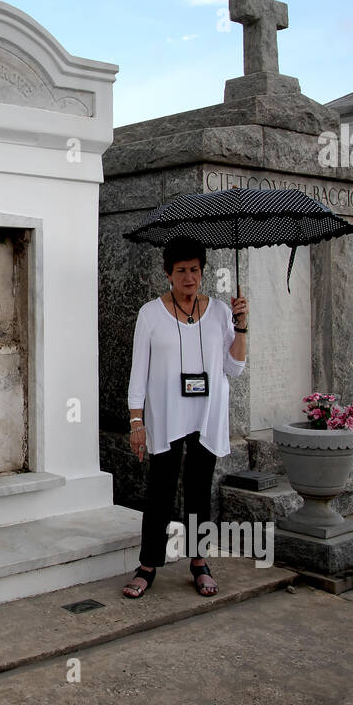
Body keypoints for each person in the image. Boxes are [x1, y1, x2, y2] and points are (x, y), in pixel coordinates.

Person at [122, 236, 248, 599]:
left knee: (199, 491)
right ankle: (147, 565)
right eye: (181, 271)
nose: (189, 277)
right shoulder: (150, 314)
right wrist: (136, 422)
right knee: (160, 491)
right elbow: (138, 372)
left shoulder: (222, 312)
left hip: (206, 414)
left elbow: (235, 368)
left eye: (194, 269)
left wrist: (240, 326)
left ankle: (199, 562)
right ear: (168, 274)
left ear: (202, 271)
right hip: (165, 415)